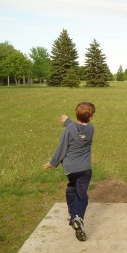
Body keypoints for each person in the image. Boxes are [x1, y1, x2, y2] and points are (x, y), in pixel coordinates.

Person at [42, 102, 96, 241]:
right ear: (90, 118)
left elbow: (62, 148)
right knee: (82, 194)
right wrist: (68, 122)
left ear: (75, 114)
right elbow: (79, 129)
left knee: (72, 188)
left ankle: (73, 215)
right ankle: (77, 217)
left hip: (71, 169)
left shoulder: (69, 129)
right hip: (85, 169)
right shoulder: (91, 128)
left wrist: (52, 163)